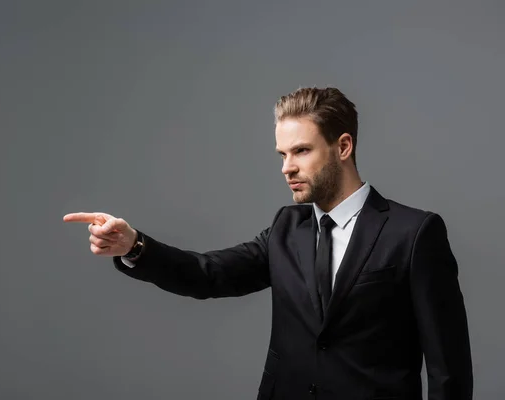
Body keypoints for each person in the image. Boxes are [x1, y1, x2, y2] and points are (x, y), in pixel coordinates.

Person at [63, 87, 473, 400]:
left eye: (300, 151)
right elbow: (209, 275)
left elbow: (448, 369)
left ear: (343, 147)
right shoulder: (286, 228)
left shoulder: (415, 233)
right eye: (281, 154)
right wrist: (133, 245)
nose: (286, 167)